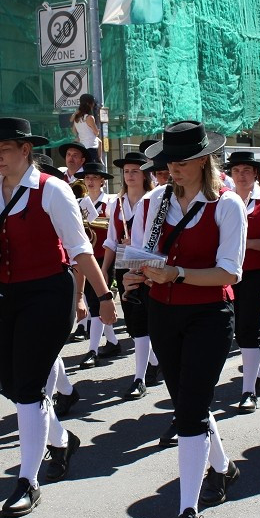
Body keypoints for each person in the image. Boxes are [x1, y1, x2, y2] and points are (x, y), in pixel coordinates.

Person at [0, 117, 115, 517]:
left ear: (25, 151)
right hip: (5, 294)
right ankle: (62, 439)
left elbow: (80, 249)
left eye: (4, 151)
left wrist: (102, 295)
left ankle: (27, 481)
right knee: (11, 385)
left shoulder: (53, 190)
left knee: (29, 388)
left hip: (48, 294)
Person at [123, 121, 245, 518]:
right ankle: (223, 466)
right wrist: (134, 275)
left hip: (209, 314)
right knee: (188, 401)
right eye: (168, 161)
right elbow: (140, 255)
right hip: (163, 313)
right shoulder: (155, 202)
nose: (171, 168)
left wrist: (177, 273)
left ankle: (187, 511)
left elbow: (230, 272)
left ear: (202, 161)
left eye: (180, 161)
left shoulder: (227, 205)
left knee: (190, 411)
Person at [224, 150, 260, 413]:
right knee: (237, 328)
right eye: (236, 171)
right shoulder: (224, 201)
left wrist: (244, 243)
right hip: (229, 273)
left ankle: (249, 391)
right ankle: (257, 373)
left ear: (256, 174)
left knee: (248, 328)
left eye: (246, 171)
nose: (241, 175)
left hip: (258, 273)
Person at [102, 151, 159, 400]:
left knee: (151, 318)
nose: (129, 175)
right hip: (125, 266)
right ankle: (145, 370)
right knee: (136, 321)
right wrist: (104, 269)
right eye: (126, 172)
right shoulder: (116, 203)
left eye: (135, 171)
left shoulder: (153, 200)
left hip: (149, 266)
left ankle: (143, 373)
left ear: (145, 174)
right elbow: (111, 241)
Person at [74, 161, 120, 370]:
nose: (90, 181)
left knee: (96, 300)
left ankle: (92, 350)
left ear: (102, 181)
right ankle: (113, 342)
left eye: (94, 177)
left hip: (104, 257)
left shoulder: (110, 202)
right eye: (88, 178)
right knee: (92, 300)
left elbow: (115, 228)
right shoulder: (80, 202)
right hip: (86, 255)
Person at [71, 93, 102, 162]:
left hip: (82, 147)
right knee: (93, 169)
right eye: (93, 103)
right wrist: (97, 130)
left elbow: (73, 131)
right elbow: (96, 133)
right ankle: (100, 159)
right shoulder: (89, 117)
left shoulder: (77, 118)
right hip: (91, 147)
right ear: (89, 104)